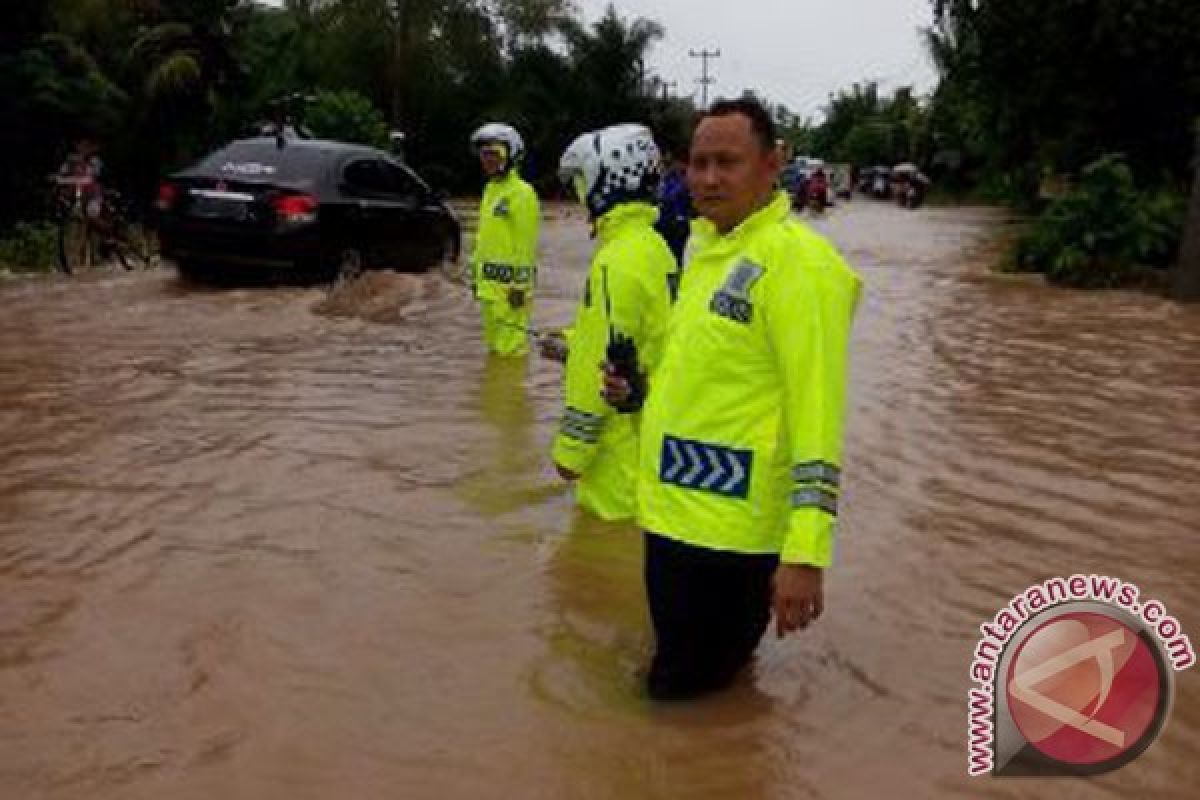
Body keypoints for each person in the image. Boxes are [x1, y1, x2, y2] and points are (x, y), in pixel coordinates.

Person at [604, 98, 862, 701]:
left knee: (675, 705)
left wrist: (805, 553)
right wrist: (637, 391)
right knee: (701, 693)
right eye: (698, 163)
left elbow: (817, 417)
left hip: (731, 540)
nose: (709, 178)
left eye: (728, 162)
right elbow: (700, 379)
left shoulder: (801, 264)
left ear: (773, 165)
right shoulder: (706, 252)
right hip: (672, 521)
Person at [546, 124, 677, 521]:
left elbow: (599, 366)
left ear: (605, 181)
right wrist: (571, 340)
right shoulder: (654, 247)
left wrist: (570, 453)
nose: (580, 192)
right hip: (650, 444)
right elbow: (641, 334)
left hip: (616, 462)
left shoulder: (615, 261)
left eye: (583, 180)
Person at [468, 123, 541, 357]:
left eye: (494, 154)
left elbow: (525, 243)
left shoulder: (522, 193)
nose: (488, 160)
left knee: (511, 351)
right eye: (484, 155)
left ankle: (511, 393)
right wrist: (475, 277)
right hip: (489, 288)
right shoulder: (490, 190)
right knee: (494, 351)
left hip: (511, 292)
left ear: (511, 155)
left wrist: (520, 287)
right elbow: (485, 239)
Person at [654, 148, 692, 269]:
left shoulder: (679, 177)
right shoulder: (666, 178)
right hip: (669, 219)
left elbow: (675, 193)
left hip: (680, 219)